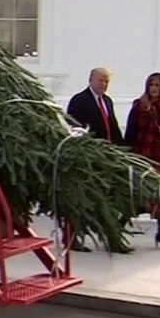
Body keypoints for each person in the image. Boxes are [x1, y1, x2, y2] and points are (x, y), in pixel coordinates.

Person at [64, 67, 132, 253]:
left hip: (107, 157)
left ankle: (112, 237)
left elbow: (112, 126)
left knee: (109, 198)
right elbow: (73, 128)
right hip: (89, 158)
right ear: (91, 80)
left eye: (107, 81)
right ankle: (72, 237)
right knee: (84, 199)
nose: (104, 84)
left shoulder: (107, 101)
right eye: (101, 80)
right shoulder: (80, 101)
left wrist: (123, 149)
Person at [124, 72, 160, 251]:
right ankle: (118, 227)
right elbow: (131, 132)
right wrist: (128, 155)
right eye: (151, 85)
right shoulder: (139, 105)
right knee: (138, 194)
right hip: (145, 153)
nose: (154, 88)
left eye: (157, 85)